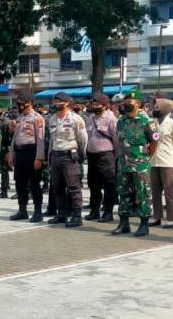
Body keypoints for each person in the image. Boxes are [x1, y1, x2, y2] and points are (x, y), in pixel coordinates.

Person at [112, 90, 160, 237]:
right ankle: (124, 223)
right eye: (124, 102)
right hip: (124, 163)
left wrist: (144, 159)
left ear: (138, 104)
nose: (125, 104)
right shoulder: (121, 121)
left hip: (140, 165)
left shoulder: (147, 121)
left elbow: (154, 142)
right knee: (123, 192)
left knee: (143, 193)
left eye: (129, 102)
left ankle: (144, 224)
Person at [45, 92, 88, 227]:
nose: (56, 104)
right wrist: (49, 156)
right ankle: (61, 214)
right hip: (56, 155)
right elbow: (52, 140)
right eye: (55, 101)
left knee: (74, 187)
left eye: (59, 102)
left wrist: (80, 155)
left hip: (69, 155)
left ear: (67, 103)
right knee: (57, 187)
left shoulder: (76, 119)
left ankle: (76, 216)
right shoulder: (52, 119)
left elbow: (83, 139)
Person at [7, 92, 46, 222]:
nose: (18, 104)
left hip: (32, 152)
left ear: (29, 102)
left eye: (21, 102)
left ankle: (38, 211)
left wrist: (39, 157)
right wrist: (11, 153)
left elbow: (40, 140)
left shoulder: (37, 118)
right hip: (20, 153)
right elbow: (15, 137)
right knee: (20, 183)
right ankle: (22, 210)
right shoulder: (20, 117)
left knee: (34, 184)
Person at [149, 98, 173, 228]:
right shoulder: (152, 123)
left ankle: (171, 218)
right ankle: (157, 216)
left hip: (168, 161)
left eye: (158, 107)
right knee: (155, 190)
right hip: (154, 160)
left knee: (169, 190)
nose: (155, 110)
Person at [85, 92, 119, 223]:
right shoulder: (90, 117)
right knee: (93, 184)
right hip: (92, 155)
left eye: (97, 104)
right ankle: (94, 210)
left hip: (106, 155)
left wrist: (114, 156)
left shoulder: (111, 119)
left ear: (105, 105)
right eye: (93, 103)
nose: (94, 105)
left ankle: (108, 212)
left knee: (109, 184)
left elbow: (116, 140)